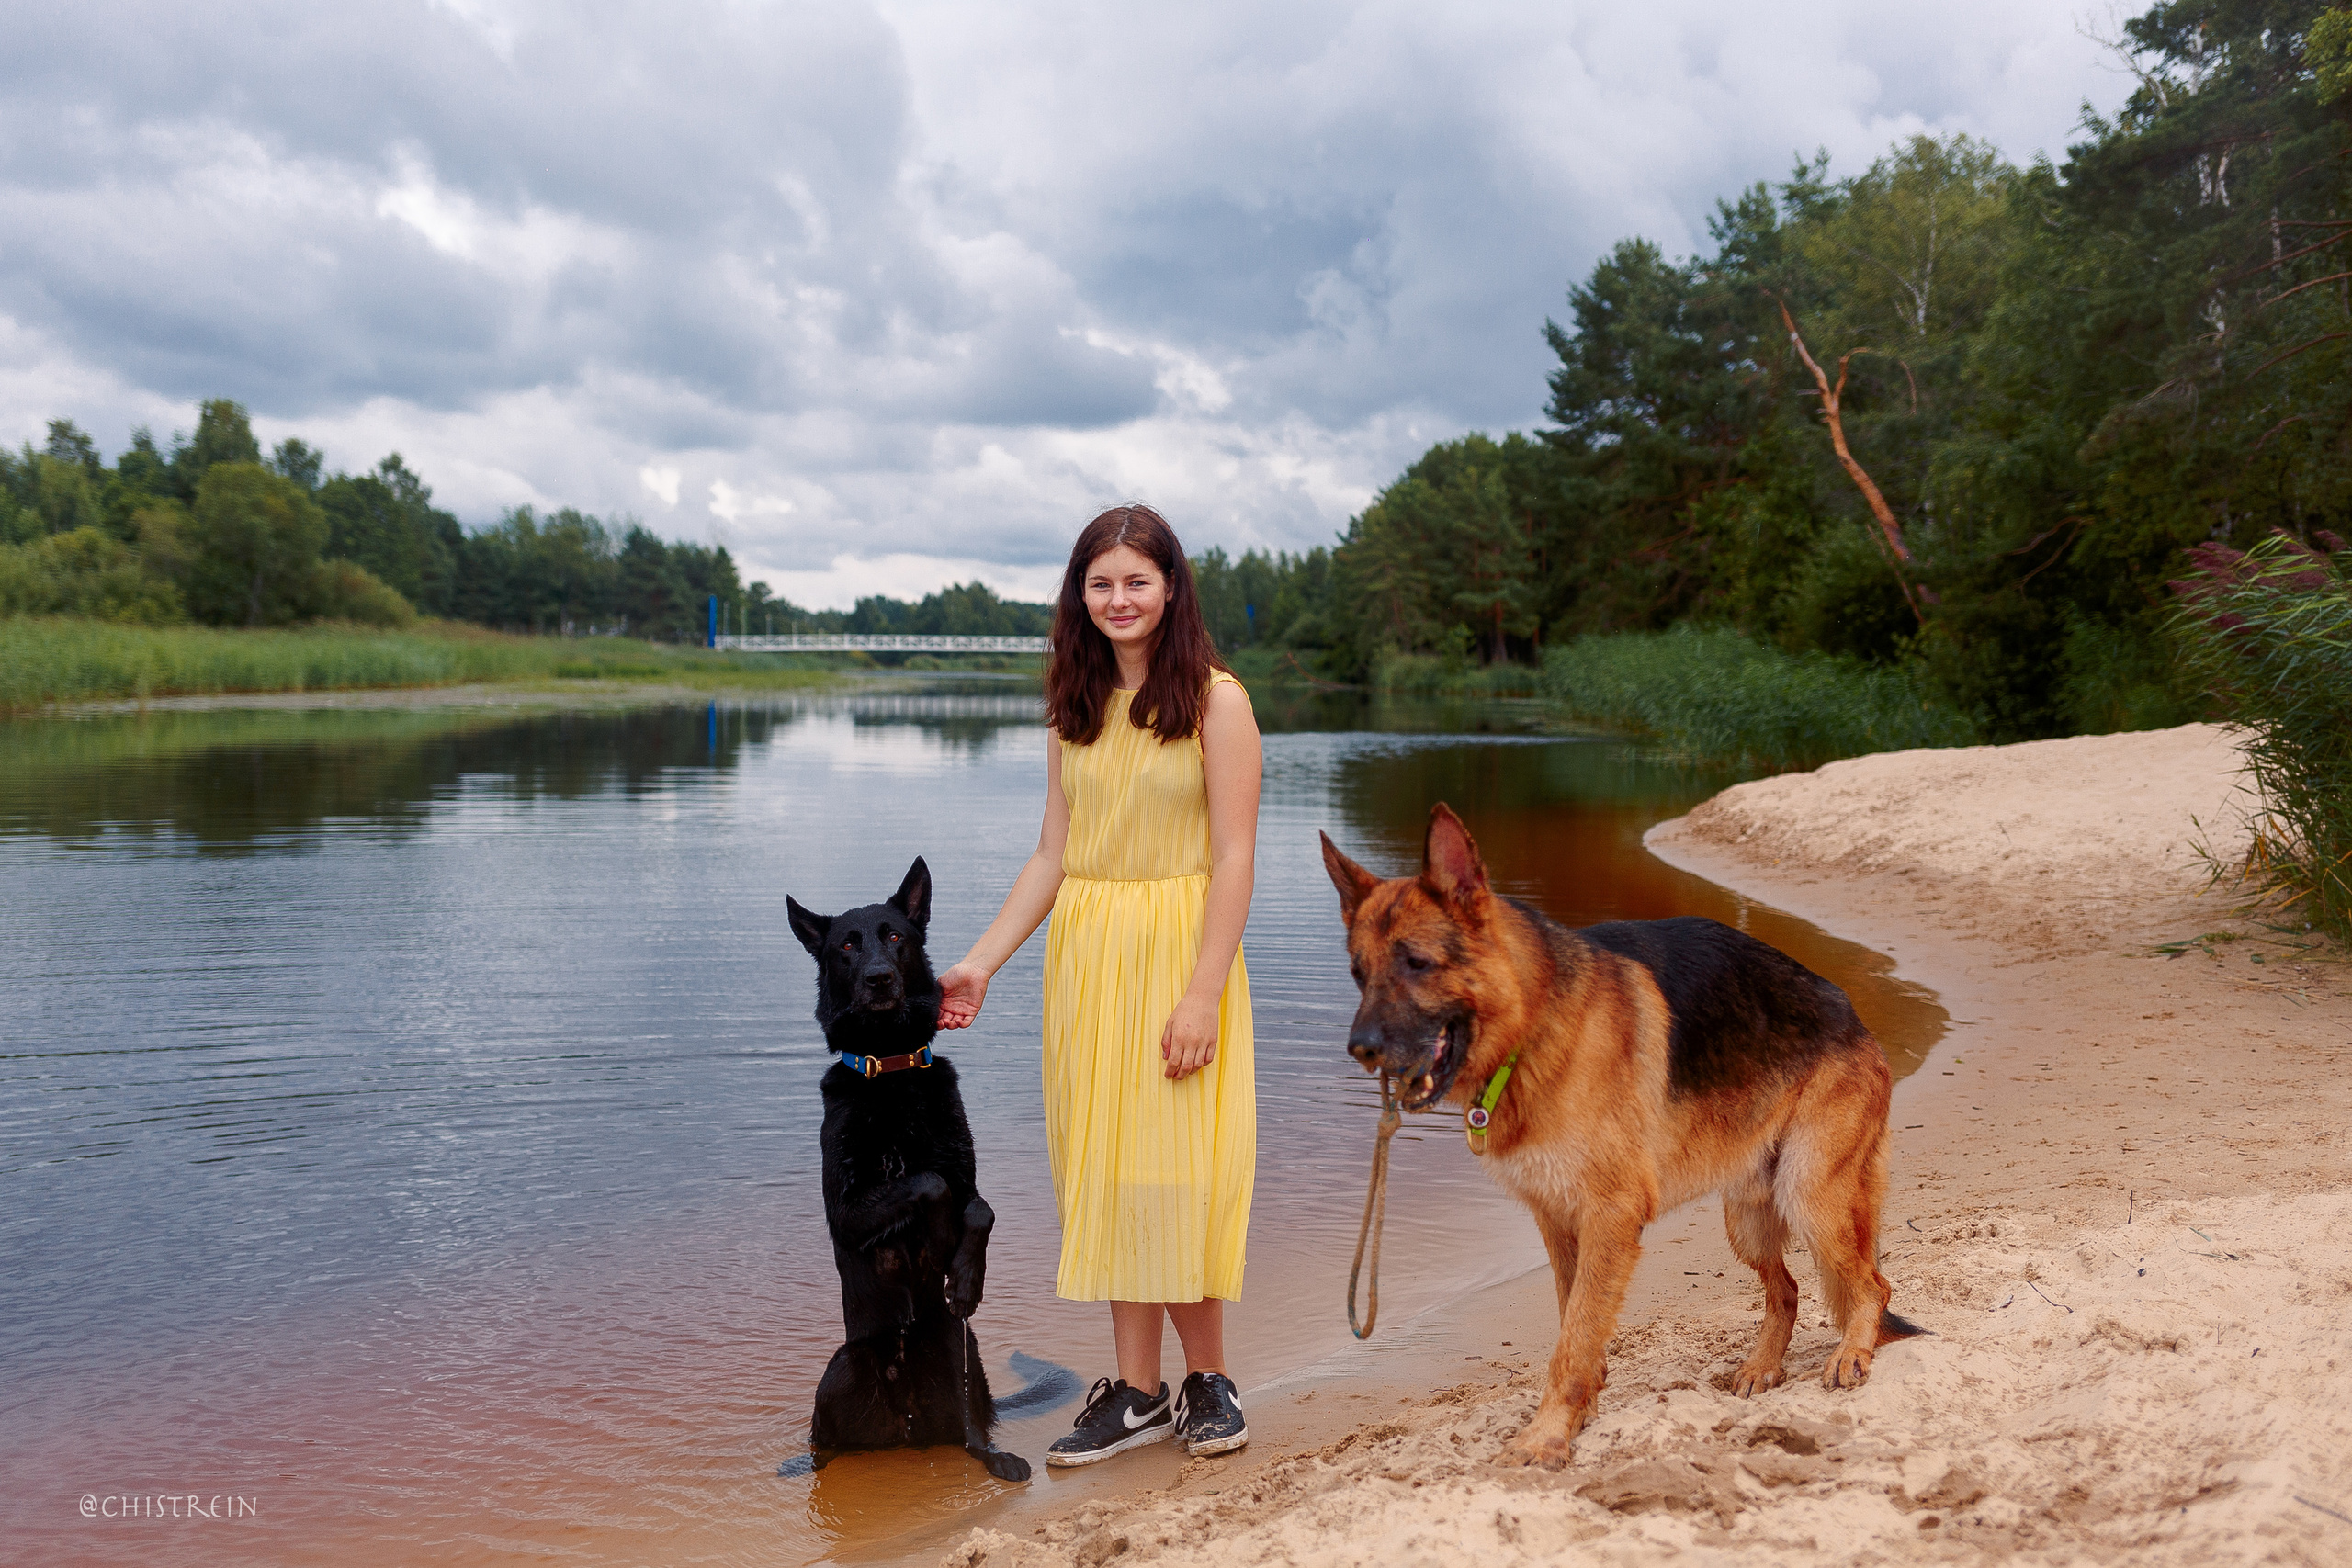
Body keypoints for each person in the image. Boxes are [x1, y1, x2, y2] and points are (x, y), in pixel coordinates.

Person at [937, 503, 1261, 1467]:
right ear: (1079, 595)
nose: (1118, 599)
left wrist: (1203, 991)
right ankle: (1135, 1392)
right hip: (1087, 958)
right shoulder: (1073, 706)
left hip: (1178, 950)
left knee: (1176, 1170)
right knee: (1113, 1172)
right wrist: (980, 961)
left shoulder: (1218, 700)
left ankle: (1208, 1382)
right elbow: (1052, 855)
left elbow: (1237, 860)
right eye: (1100, 582)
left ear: (1170, 590)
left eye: (1137, 581)